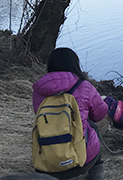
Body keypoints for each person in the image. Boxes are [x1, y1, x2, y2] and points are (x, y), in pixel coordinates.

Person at [32, 48, 108, 180]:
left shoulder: (39, 90)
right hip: (82, 162)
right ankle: (97, 175)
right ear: (75, 65)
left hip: (46, 167)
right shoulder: (84, 86)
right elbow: (100, 115)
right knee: (92, 127)